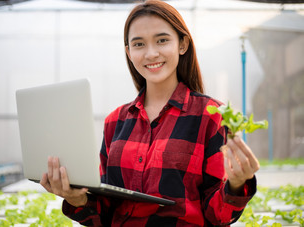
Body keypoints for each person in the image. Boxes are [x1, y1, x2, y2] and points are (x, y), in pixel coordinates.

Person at [40, 0, 259, 226]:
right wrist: (76, 197)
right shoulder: (114, 122)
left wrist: (236, 184)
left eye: (162, 40)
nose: (151, 53)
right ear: (129, 52)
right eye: (139, 44)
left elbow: (218, 217)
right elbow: (103, 213)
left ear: (182, 44)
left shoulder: (212, 116)